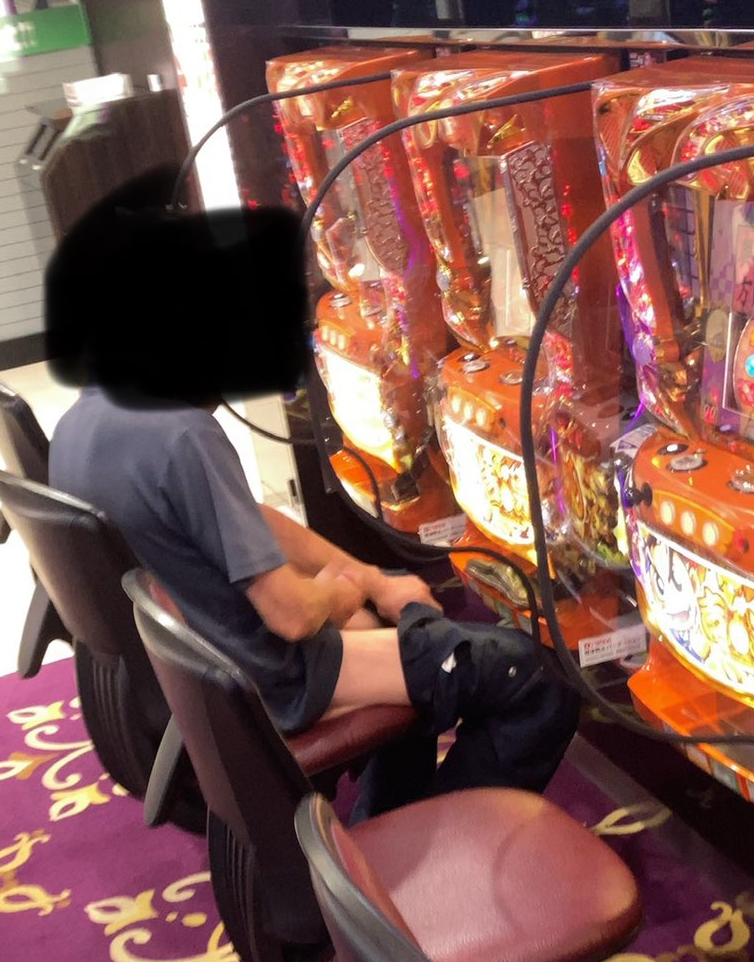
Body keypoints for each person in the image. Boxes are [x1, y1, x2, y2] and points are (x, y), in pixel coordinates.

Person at [45, 182, 579, 814]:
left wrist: (371, 579)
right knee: (530, 677)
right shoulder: (181, 435)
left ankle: (386, 821)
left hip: (207, 673)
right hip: (273, 682)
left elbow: (252, 522)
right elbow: (294, 617)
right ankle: (430, 842)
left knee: (398, 623)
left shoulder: (84, 419)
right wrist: (342, 592)